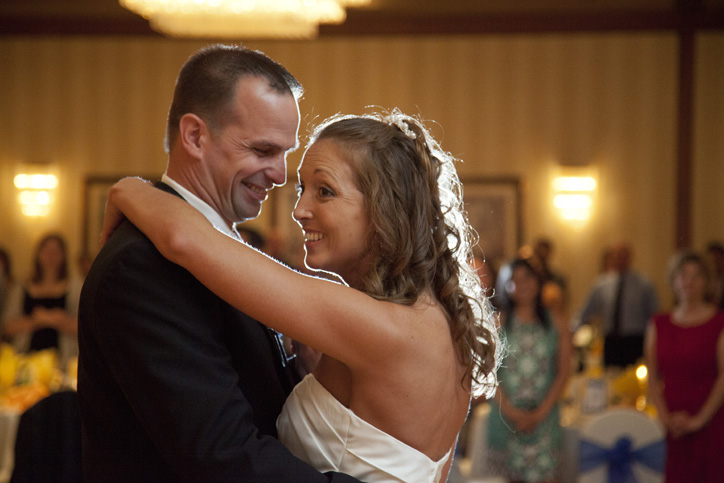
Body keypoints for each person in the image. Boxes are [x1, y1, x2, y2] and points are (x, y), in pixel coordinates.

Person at [100, 108, 500, 482]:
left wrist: (127, 189)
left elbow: (184, 240)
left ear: (385, 207)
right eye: (302, 189)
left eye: (324, 191)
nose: (300, 209)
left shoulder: (380, 324)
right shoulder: (437, 324)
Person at [77, 44, 361, 482]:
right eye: (263, 150)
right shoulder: (142, 267)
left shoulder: (221, 250)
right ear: (194, 136)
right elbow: (222, 455)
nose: (280, 174)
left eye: (285, 153)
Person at [485, 258, 572, 483]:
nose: (521, 284)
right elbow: (489, 373)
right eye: (514, 280)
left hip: (545, 419)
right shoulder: (498, 323)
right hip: (506, 419)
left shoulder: (557, 323)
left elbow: (563, 373)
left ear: (538, 281)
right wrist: (513, 413)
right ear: (506, 286)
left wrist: (539, 414)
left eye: (527, 278)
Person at [645, 251, 724, 482]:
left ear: (706, 281)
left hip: (710, 420)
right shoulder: (658, 323)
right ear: (673, 280)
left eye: (696, 276)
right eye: (683, 275)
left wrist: (699, 419)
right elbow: (652, 376)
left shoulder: (719, 322)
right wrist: (665, 417)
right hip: (671, 424)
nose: (689, 281)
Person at [1, 233, 80, 367]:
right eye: (47, 252)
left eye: (55, 252)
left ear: (63, 256)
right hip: (25, 359)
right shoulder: (21, 287)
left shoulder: (75, 287)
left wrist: (59, 319)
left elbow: (86, 327)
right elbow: (7, 326)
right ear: (38, 254)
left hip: (64, 360)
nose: (50, 257)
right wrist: (36, 320)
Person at [577, 242, 659, 368]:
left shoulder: (644, 284)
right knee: (610, 375)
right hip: (611, 340)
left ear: (630, 257)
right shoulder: (601, 284)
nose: (620, 259)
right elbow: (587, 310)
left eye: (623, 256)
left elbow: (654, 315)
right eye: (617, 256)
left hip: (635, 340)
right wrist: (571, 330)